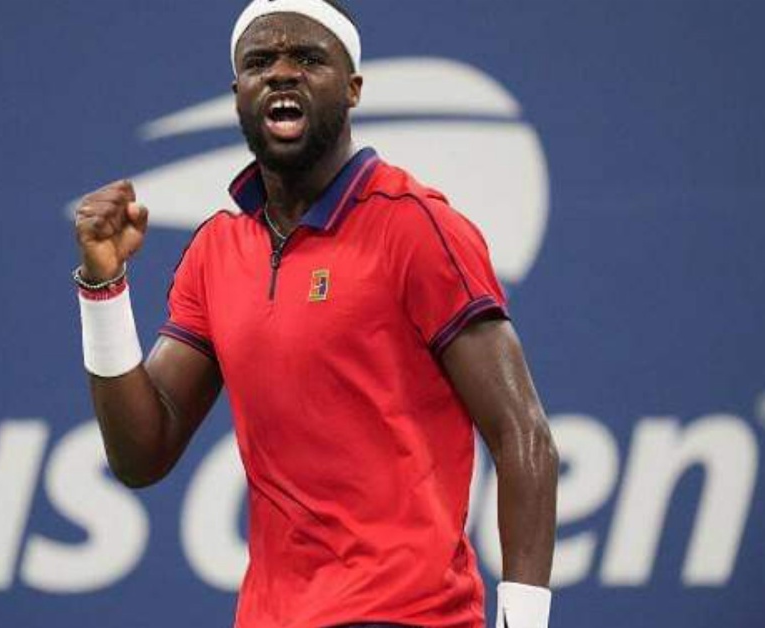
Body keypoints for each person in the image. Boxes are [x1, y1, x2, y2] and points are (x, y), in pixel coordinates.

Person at [71, 1, 558, 626]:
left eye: (307, 59)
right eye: (260, 62)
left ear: (352, 89)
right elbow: (141, 454)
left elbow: (525, 438)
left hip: (407, 615)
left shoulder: (414, 226)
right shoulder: (215, 252)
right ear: (238, 92)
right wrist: (103, 288)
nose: (281, 73)